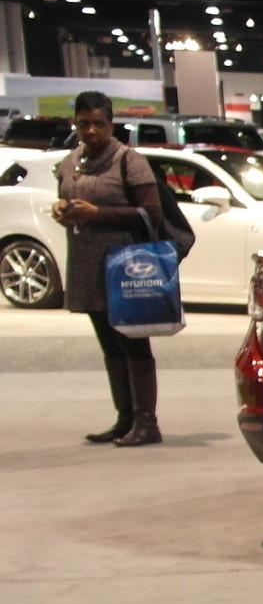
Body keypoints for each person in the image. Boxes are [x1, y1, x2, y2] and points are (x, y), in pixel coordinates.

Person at [50, 91, 167, 447]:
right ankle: (124, 419)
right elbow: (68, 197)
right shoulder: (71, 161)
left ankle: (147, 424)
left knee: (133, 345)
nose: (91, 130)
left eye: (99, 123)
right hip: (87, 263)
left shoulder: (129, 160)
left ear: (110, 123)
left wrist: (97, 214)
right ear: (75, 123)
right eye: (84, 123)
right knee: (110, 346)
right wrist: (61, 209)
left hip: (126, 266)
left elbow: (152, 213)